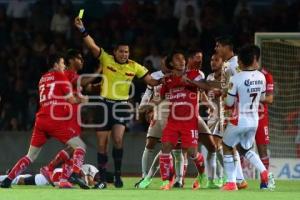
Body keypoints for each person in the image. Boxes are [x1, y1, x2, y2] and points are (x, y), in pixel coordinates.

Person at [74, 17, 161, 189]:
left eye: (126, 52)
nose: (124, 54)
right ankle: (102, 179)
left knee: (119, 140)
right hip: (104, 104)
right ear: (115, 52)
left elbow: (151, 81)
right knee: (101, 143)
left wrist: (171, 81)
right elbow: (92, 46)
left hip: (121, 106)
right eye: (121, 51)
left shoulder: (134, 66)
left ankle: (119, 176)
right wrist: (82, 29)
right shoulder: (106, 59)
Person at [0, 54, 89, 189]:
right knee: (80, 146)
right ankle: (74, 174)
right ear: (55, 65)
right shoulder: (60, 76)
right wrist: (82, 100)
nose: (64, 66)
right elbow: (72, 100)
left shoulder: (42, 79)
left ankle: (8, 180)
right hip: (55, 119)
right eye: (62, 63)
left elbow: (53, 96)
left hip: (41, 120)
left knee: (30, 156)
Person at [221, 44, 275, 191]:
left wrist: (225, 93)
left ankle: (231, 183)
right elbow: (263, 97)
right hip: (254, 120)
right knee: (246, 149)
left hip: (239, 119)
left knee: (226, 145)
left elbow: (229, 102)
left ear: (241, 62)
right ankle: (264, 172)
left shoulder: (236, 78)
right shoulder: (261, 76)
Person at [158, 50, 207, 190]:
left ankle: (202, 174)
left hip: (189, 121)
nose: (182, 61)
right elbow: (160, 97)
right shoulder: (167, 80)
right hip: (173, 121)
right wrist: (149, 108)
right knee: (165, 149)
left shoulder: (194, 74)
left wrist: (191, 82)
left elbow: (206, 87)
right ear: (172, 63)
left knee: (192, 153)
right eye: (178, 59)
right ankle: (165, 182)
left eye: (183, 59)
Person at [214, 36, 247, 189]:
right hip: (225, 108)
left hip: (231, 110)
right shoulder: (227, 64)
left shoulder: (235, 64)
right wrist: (221, 91)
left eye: (218, 46)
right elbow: (229, 86)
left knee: (226, 143)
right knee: (225, 143)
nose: (216, 49)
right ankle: (239, 180)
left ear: (227, 47)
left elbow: (240, 86)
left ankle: (235, 181)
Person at [134, 57, 172, 188]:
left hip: (171, 115)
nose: (165, 65)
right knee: (150, 143)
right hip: (156, 113)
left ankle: (177, 178)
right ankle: (145, 176)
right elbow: (148, 93)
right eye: (164, 62)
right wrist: (143, 109)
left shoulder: (177, 76)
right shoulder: (155, 76)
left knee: (173, 148)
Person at [253, 46, 274, 189]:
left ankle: (265, 181)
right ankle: (238, 180)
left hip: (260, 118)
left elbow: (270, 99)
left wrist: (252, 96)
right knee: (239, 148)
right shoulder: (241, 74)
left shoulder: (266, 75)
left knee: (262, 149)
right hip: (244, 116)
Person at [206, 53, 225, 187]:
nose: (213, 62)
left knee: (217, 146)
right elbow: (206, 96)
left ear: (223, 62)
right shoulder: (209, 77)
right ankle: (212, 180)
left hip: (224, 115)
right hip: (212, 116)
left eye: (216, 60)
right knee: (212, 148)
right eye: (212, 59)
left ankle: (226, 176)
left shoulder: (228, 76)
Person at [0, 164, 99, 187]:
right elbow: (89, 182)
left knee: (26, 177)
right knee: (20, 181)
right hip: (47, 178)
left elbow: (89, 181)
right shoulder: (76, 172)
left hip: (49, 177)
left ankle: (11, 172)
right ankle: (8, 176)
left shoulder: (76, 172)